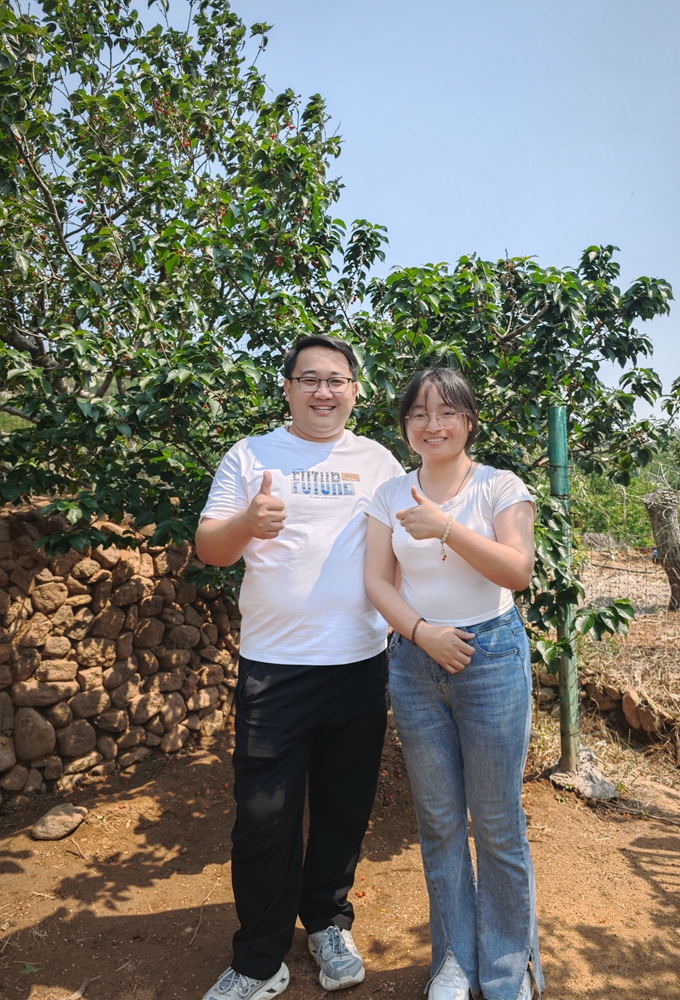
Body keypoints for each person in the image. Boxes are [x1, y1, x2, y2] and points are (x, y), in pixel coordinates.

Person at [195, 334, 403, 1000]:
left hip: (359, 665)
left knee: (345, 807)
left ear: (355, 391)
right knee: (262, 816)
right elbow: (209, 549)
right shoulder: (251, 455)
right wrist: (248, 524)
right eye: (309, 378)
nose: (323, 391)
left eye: (337, 379)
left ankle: (327, 923)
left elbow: (406, 549)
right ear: (286, 387)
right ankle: (260, 959)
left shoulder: (378, 461)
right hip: (274, 669)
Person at [364, 367, 543, 1000]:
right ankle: (453, 964)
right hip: (416, 662)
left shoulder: (499, 485)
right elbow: (377, 582)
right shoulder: (389, 494)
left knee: (496, 823)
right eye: (418, 414)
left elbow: (517, 570)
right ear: (405, 426)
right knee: (439, 821)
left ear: (469, 420)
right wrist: (421, 633)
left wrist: (445, 527)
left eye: (446, 412)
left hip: (490, 655)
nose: (432, 424)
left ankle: (504, 969)